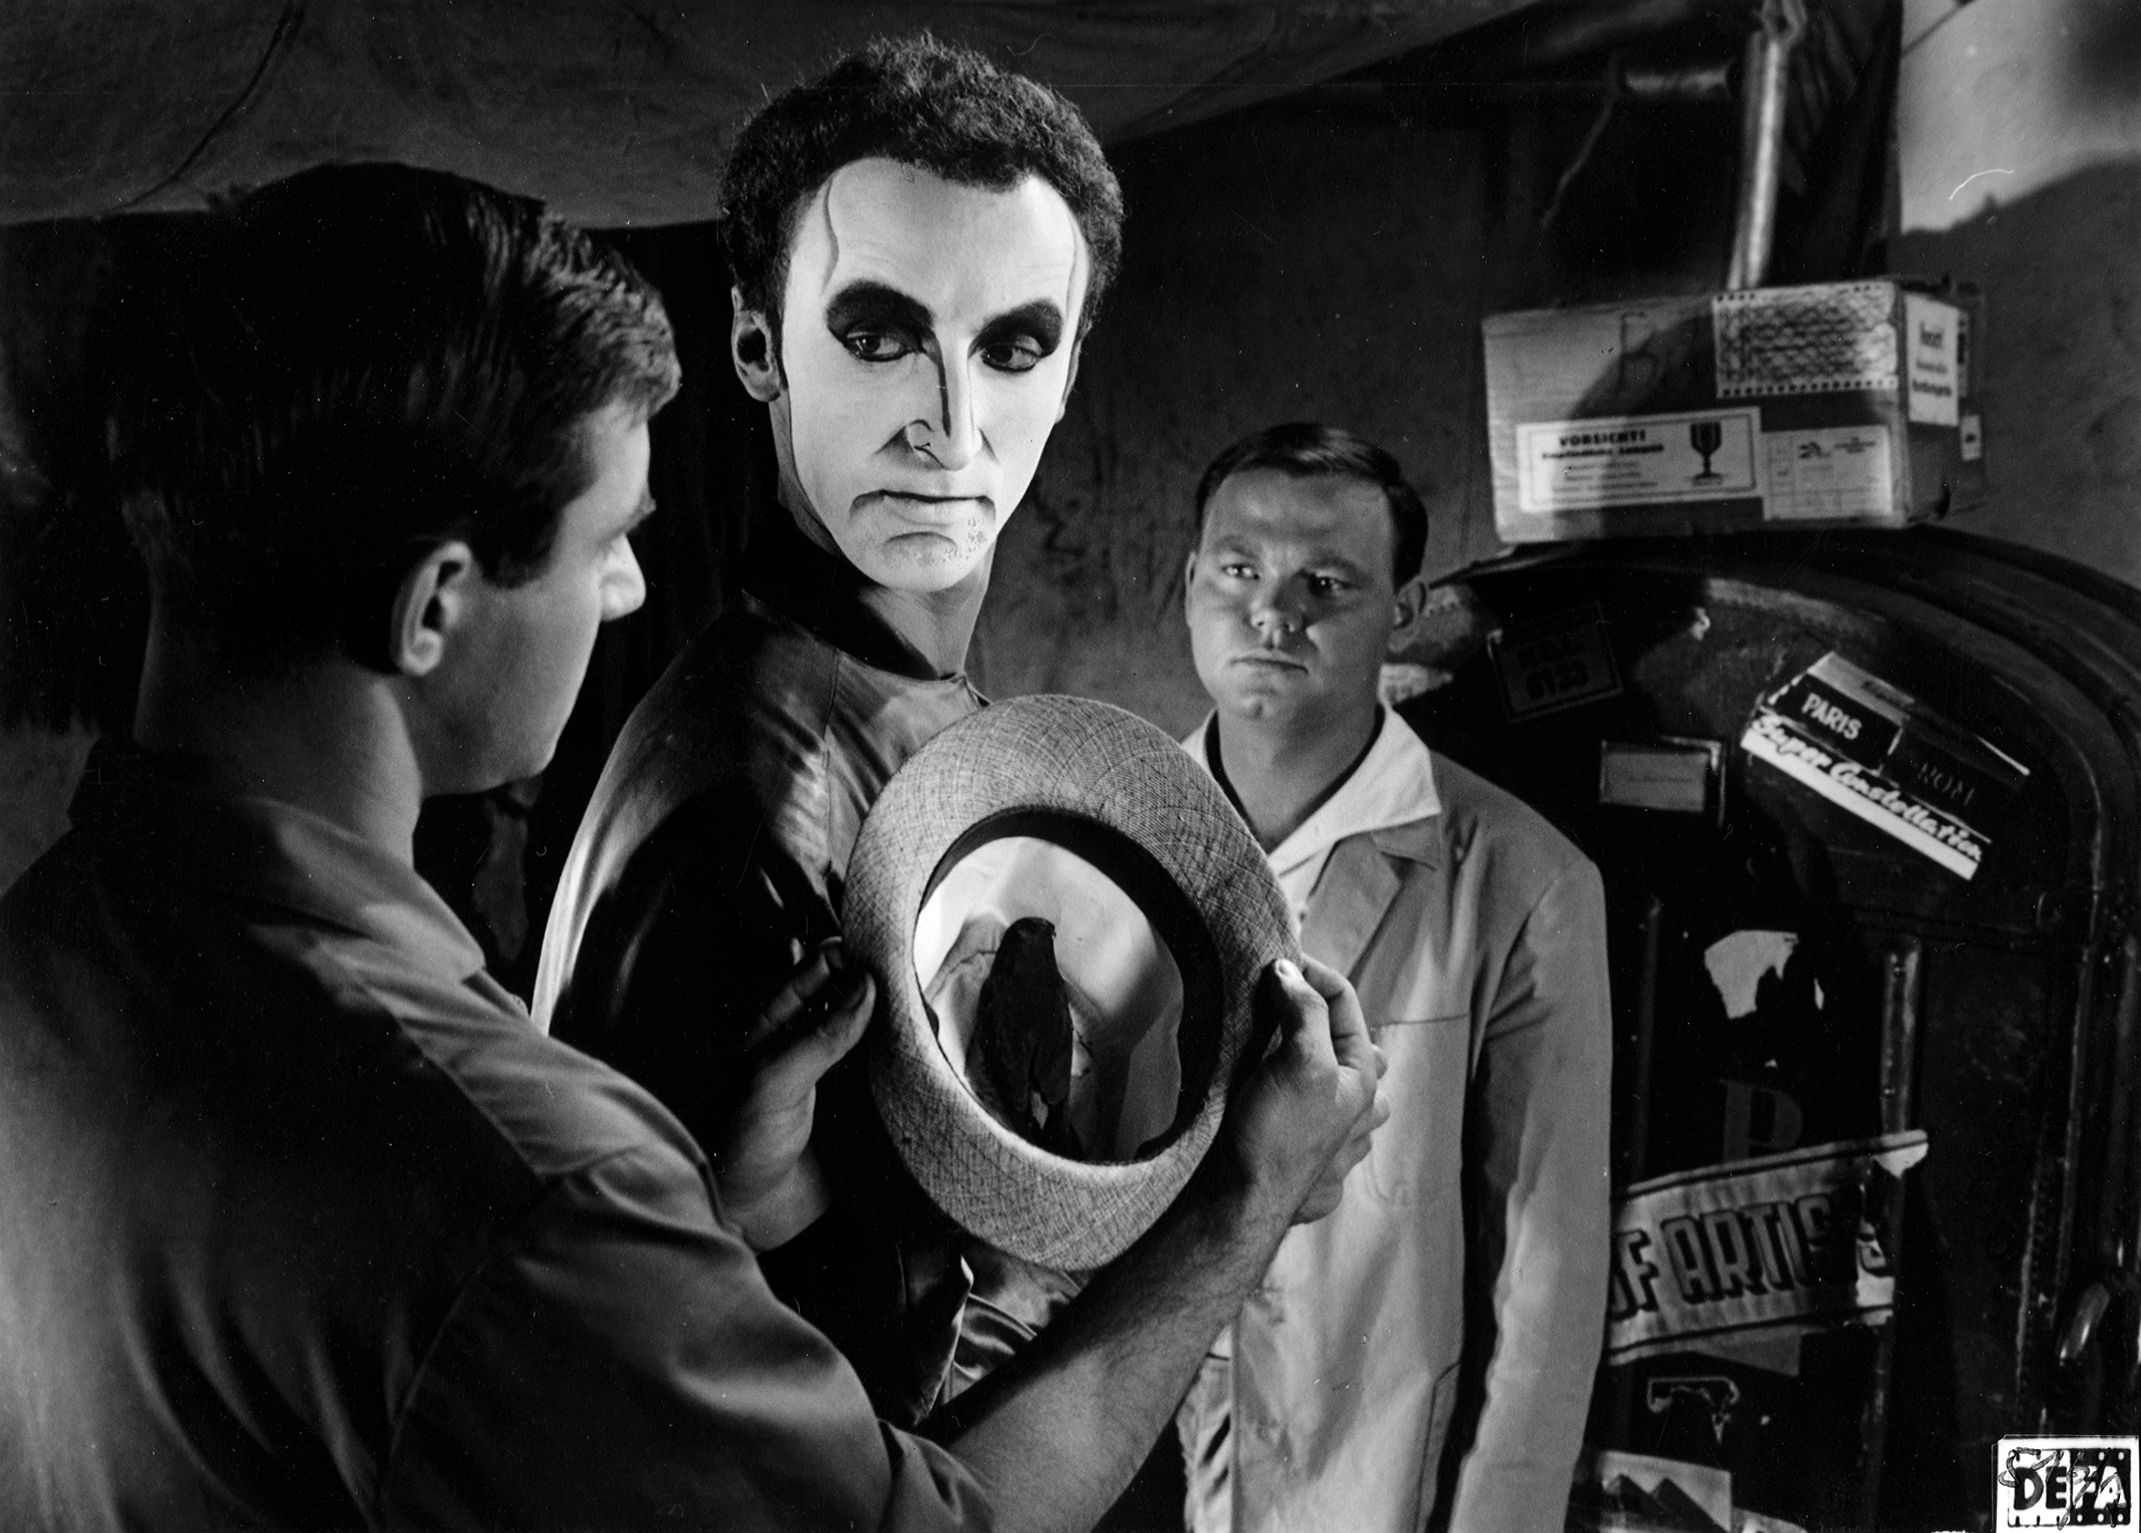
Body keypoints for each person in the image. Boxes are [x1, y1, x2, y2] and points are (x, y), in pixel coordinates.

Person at [0, 165, 1382, 1531]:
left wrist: (723, 1212)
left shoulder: (45, 956)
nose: (626, 590)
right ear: (433, 608)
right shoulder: (529, 1180)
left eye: (1014, 347)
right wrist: (1242, 1199)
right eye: (606, 542)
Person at [533, 34, 1139, 1420]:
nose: (948, 425)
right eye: (877, 337)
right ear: (756, 345)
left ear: (1068, 374)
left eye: (1011, 347)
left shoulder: (888, 698)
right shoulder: (760, 795)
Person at [1176, 423, 1612, 1532]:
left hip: (1358, 1487)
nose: (1272, 614)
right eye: (1238, 569)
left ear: (1402, 611)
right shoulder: (1096, 833)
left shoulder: (1523, 880)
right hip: (1113, 1467)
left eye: (1324, 583)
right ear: (1188, 582)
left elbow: (1547, 1275)